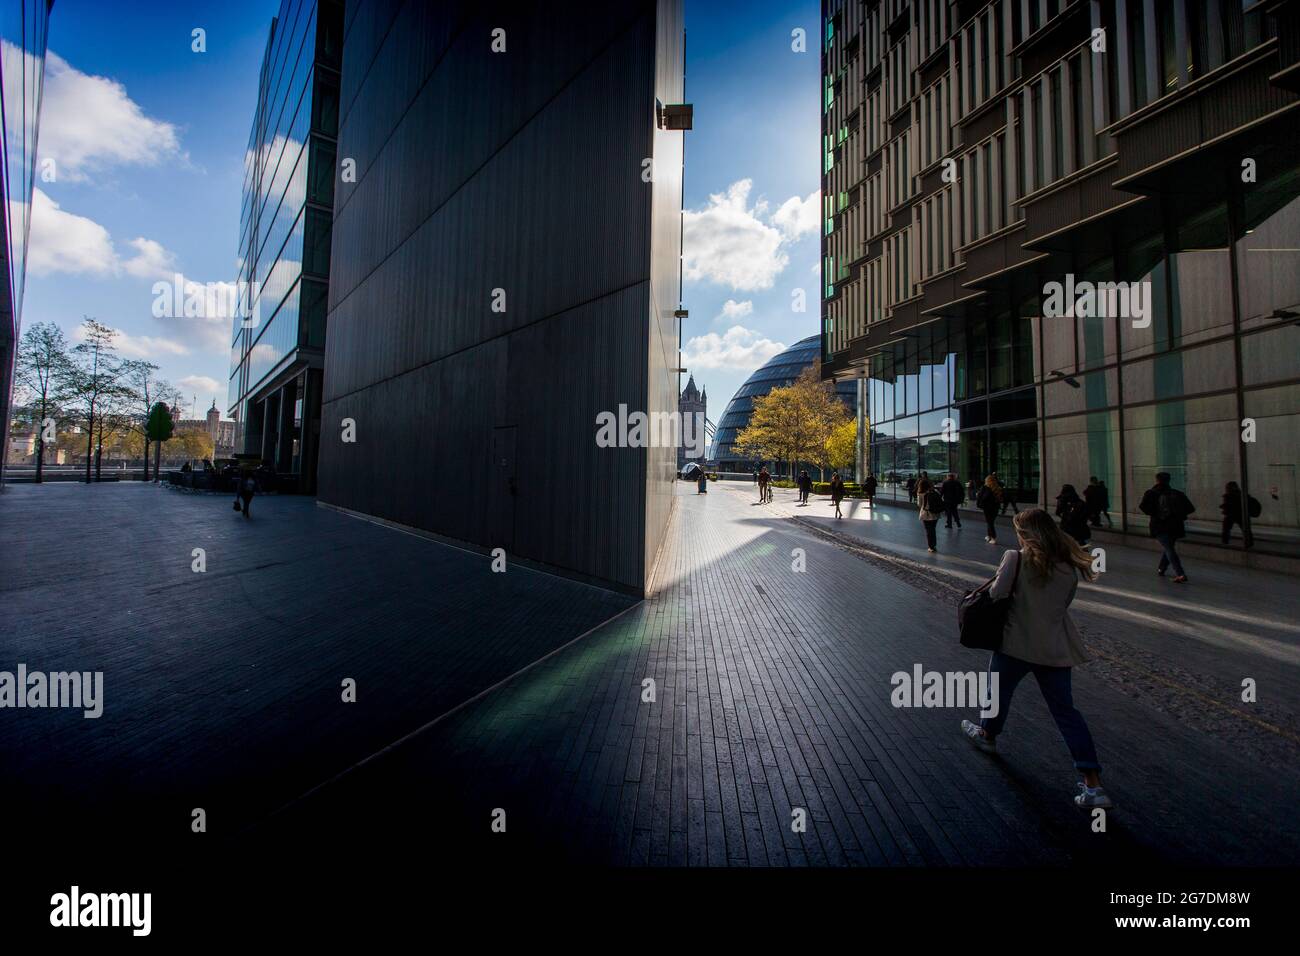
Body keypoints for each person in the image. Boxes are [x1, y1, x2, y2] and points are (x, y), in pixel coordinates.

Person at [960, 509, 1111, 809]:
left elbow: (998, 594)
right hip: (1054, 646)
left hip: (1017, 641)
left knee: (998, 692)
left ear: (1026, 533)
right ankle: (1092, 782)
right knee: (1066, 711)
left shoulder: (1015, 558)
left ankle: (987, 734)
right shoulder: (1069, 564)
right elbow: (1064, 603)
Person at [1139, 472, 1195, 583]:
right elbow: (1190, 508)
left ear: (1157, 480)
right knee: (1169, 547)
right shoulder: (1177, 493)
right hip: (1176, 525)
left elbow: (1143, 507)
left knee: (1169, 548)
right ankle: (1162, 568)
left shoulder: (1151, 493)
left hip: (1160, 525)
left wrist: (1156, 513)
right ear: (1169, 480)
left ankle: (1180, 573)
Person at [1220, 481, 1256, 548]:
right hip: (1241, 515)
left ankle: (1225, 543)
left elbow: (1229, 506)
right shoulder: (1242, 495)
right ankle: (1249, 543)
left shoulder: (1228, 496)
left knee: (1226, 529)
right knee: (1246, 530)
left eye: (1227, 488)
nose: (1226, 489)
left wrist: (1224, 507)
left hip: (1232, 515)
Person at [918, 478, 942, 552]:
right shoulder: (935, 491)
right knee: (932, 529)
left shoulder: (920, 493)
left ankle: (931, 546)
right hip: (935, 514)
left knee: (929, 530)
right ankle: (933, 545)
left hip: (925, 514)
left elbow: (919, 504)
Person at [977, 475, 1003, 543]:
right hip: (995, 508)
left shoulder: (985, 488)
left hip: (987, 508)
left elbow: (982, 497)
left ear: (987, 481)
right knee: (990, 522)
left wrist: (980, 501)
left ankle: (993, 538)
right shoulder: (997, 488)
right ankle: (989, 536)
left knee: (990, 522)